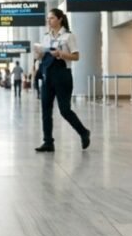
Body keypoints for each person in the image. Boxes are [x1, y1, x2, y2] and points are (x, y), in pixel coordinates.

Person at [34, 8, 90, 152]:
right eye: (48, 18)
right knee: (45, 110)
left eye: (52, 18)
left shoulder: (68, 36)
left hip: (62, 74)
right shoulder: (45, 36)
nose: (49, 21)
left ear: (59, 19)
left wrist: (60, 54)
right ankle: (48, 142)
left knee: (64, 110)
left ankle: (83, 132)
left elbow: (76, 56)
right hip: (47, 75)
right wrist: (38, 54)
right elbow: (41, 57)